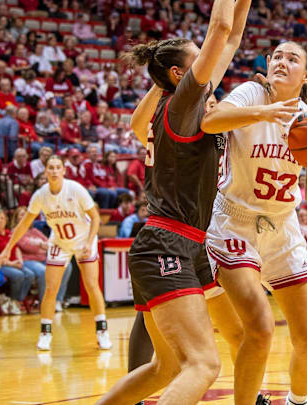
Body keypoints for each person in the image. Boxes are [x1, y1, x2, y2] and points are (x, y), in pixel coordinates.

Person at [96, 1, 248, 404]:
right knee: (203, 365)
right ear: (179, 74)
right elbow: (219, 29)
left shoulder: (185, 101)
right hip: (170, 244)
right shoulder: (180, 105)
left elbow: (231, 37)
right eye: (199, 60)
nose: (208, 63)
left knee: (165, 369)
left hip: (172, 242)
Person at [201, 39, 307, 405]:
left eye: (292, 58)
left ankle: (298, 402)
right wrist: (265, 114)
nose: (282, 61)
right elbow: (211, 120)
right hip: (235, 222)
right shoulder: (252, 93)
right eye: (277, 56)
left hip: (283, 226)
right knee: (260, 329)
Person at [0, 155, 109, 351]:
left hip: (84, 239)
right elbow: (23, 225)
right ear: (45, 171)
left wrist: (90, 241)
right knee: (50, 288)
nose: (55, 171)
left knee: (92, 285)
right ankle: (45, 333)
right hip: (60, 242)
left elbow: (95, 217)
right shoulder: (40, 195)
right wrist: (7, 249)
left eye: (58, 167)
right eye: (51, 167)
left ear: (63, 170)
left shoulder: (75, 189)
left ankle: (102, 331)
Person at [11, 205, 72, 313]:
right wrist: (40, 245)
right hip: (27, 261)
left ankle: (58, 300)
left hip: (43, 258)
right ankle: (45, 303)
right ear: (16, 218)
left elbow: (49, 244)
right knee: (43, 271)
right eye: (21, 215)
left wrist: (40, 246)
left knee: (66, 265)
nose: (25, 217)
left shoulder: (35, 231)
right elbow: (26, 247)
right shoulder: (15, 231)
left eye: (27, 215)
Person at [0, 208, 34, 316]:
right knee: (18, 275)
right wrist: (11, 264)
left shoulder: (8, 233)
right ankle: (12, 301)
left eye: (2, 218)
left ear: (6, 220)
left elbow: (16, 248)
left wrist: (20, 261)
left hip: (12, 263)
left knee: (30, 274)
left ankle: (13, 300)